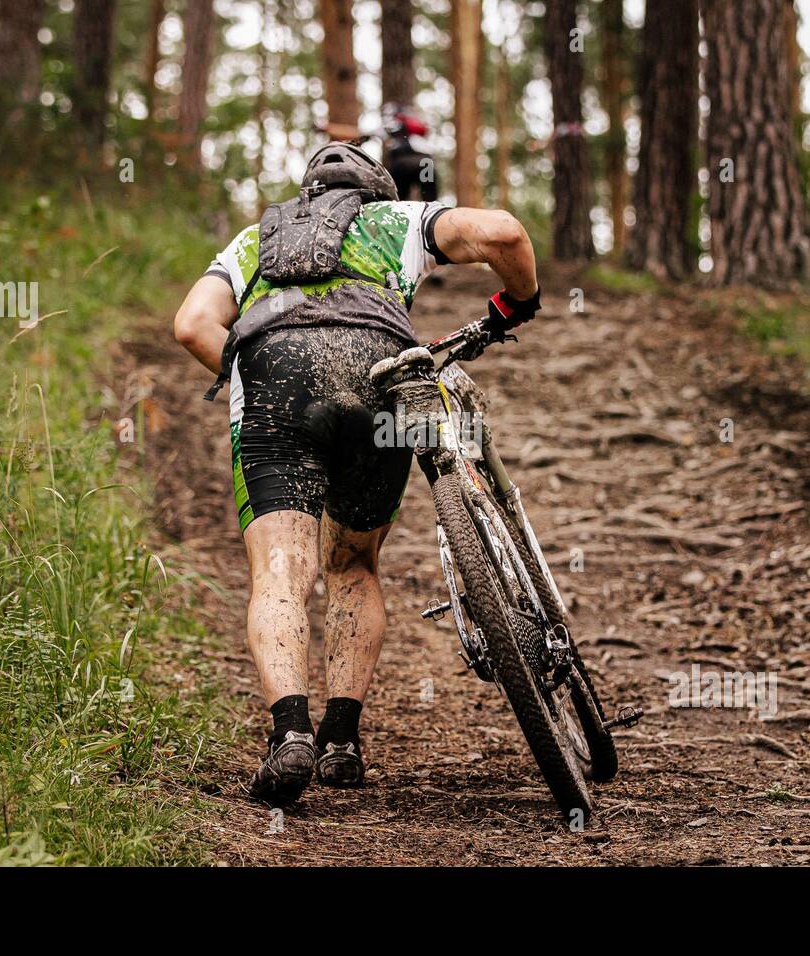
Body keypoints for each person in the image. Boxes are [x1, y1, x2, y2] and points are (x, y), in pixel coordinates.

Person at [172, 141, 541, 807]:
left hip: (274, 374)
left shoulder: (257, 240)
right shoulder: (397, 221)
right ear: (376, 192)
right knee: (353, 566)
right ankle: (342, 740)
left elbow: (192, 325)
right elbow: (503, 233)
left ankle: (290, 735)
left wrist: (255, 380)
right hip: (378, 371)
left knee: (281, 571)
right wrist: (519, 301)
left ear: (306, 195)